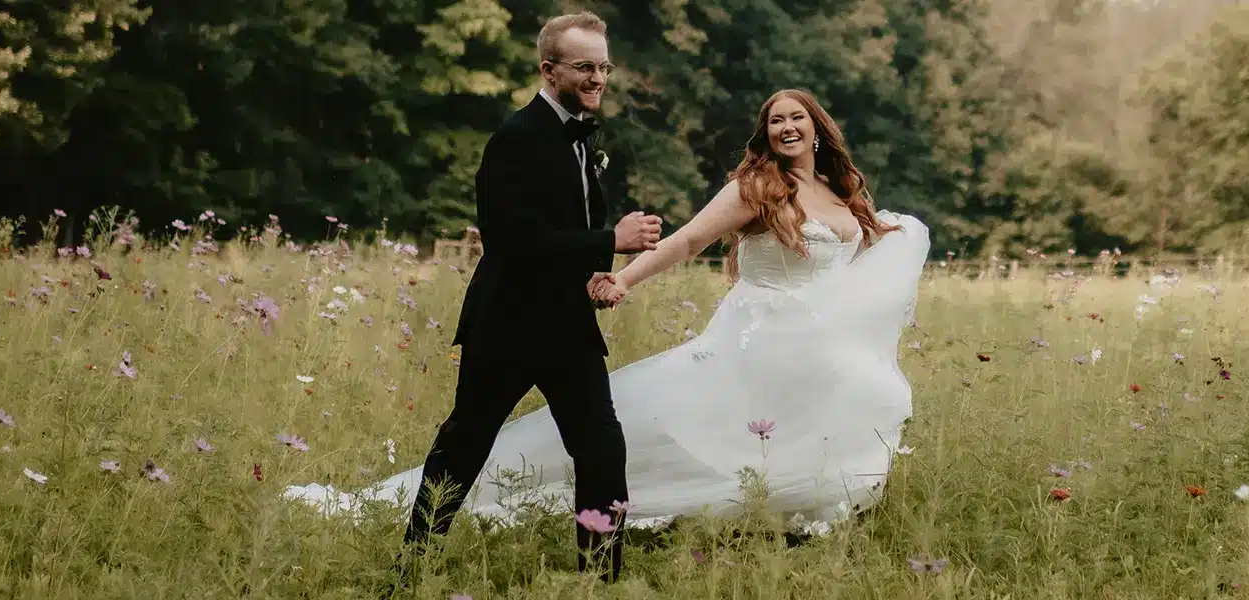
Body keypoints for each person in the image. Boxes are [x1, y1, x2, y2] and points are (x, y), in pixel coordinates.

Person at [285, 87, 928, 574]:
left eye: (797, 118)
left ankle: (776, 530)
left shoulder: (846, 196)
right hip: (755, 340)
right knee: (658, 433)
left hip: (811, 353)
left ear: (819, 129)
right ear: (766, 134)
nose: (787, 127)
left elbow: (866, 263)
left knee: (814, 426)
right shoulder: (755, 187)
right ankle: (552, 535)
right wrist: (623, 278)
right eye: (775, 120)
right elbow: (684, 242)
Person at [391, 10, 659, 581]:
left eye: (604, 66)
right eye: (584, 66)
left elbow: (562, 229)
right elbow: (513, 242)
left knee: (602, 450)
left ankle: (598, 582)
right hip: (507, 325)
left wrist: (596, 274)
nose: (598, 78)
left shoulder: (584, 137)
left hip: (566, 325)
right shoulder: (515, 137)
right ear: (549, 68)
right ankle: (409, 571)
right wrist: (613, 240)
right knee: (465, 446)